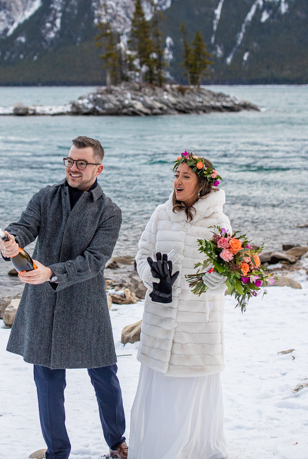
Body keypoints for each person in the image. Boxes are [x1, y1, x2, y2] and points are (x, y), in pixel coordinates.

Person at [0, 136, 128, 459]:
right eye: (69, 161)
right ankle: (57, 453)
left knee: (104, 376)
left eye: (81, 163)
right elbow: (24, 226)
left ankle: (117, 443)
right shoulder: (46, 196)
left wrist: (51, 272)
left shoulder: (110, 212)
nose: (73, 168)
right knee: (47, 382)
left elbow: (94, 261)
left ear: (99, 168)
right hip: (43, 302)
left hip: (87, 303)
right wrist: (11, 242)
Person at [128, 151, 231, 459]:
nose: (178, 181)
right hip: (160, 317)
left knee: (189, 388)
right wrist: (153, 280)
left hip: (197, 321)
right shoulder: (161, 213)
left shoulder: (218, 221)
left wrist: (218, 281)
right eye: (176, 175)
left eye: (186, 176)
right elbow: (142, 252)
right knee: (159, 391)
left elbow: (230, 268)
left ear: (201, 184)